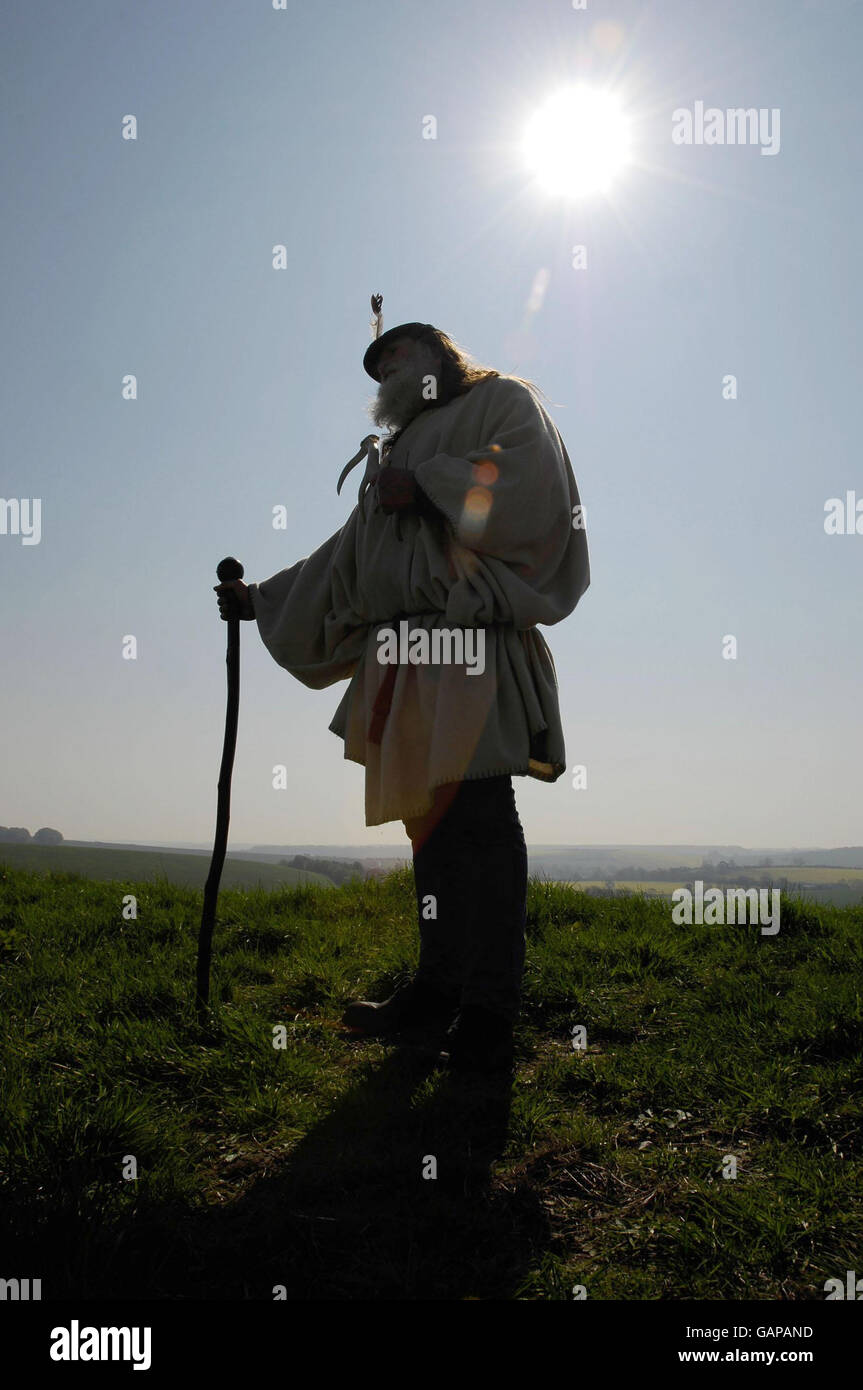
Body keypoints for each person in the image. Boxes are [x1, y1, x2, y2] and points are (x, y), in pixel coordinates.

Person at [215, 317, 590, 1073]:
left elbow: (529, 491)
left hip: (469, 636)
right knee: (427, 825)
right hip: (406, 654)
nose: (386, 367)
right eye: (377, 363)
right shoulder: (395, 448)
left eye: (398, 352)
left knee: (480, 815)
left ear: (439, 353)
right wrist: (262, 598)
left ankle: (489, 1009)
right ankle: (434, 987)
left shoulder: (501, 402)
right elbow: (348, 556)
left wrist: (426, 485)